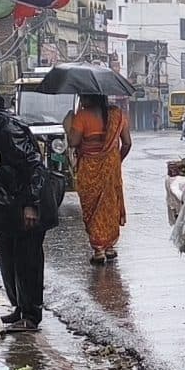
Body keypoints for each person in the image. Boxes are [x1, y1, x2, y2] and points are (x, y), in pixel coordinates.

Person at [0, 80, 56, 330]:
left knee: (27, 260)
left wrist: (31, 204)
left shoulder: (8, 129)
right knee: (9, 255)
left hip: (28, 205)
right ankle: (20, 307)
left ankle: (30, 316)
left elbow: (34, 167)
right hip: (12, 205)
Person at [66, 91, 132, 263]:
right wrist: (115, 160)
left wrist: (68, 124)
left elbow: (73, 142)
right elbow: (127, 143)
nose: (81, 100)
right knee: (110, 206)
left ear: (88, 98)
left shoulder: (82, 116)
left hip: (89, 168)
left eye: (82, 97)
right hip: (111, 168)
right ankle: (109, 247)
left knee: (92, 208)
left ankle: (99, 251)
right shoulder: (117, 114)